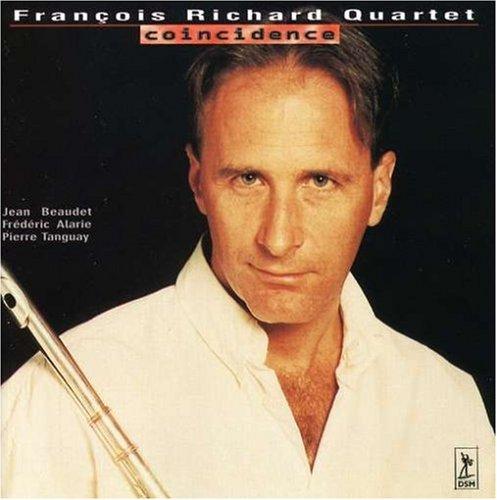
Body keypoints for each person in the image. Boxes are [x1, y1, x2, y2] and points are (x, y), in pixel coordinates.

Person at [1, 25, 494, 498]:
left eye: (320, 182)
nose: (278, 239)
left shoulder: (447, 402)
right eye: (248, 180)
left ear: (379, 190)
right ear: (198, 183)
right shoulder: (55, 400)